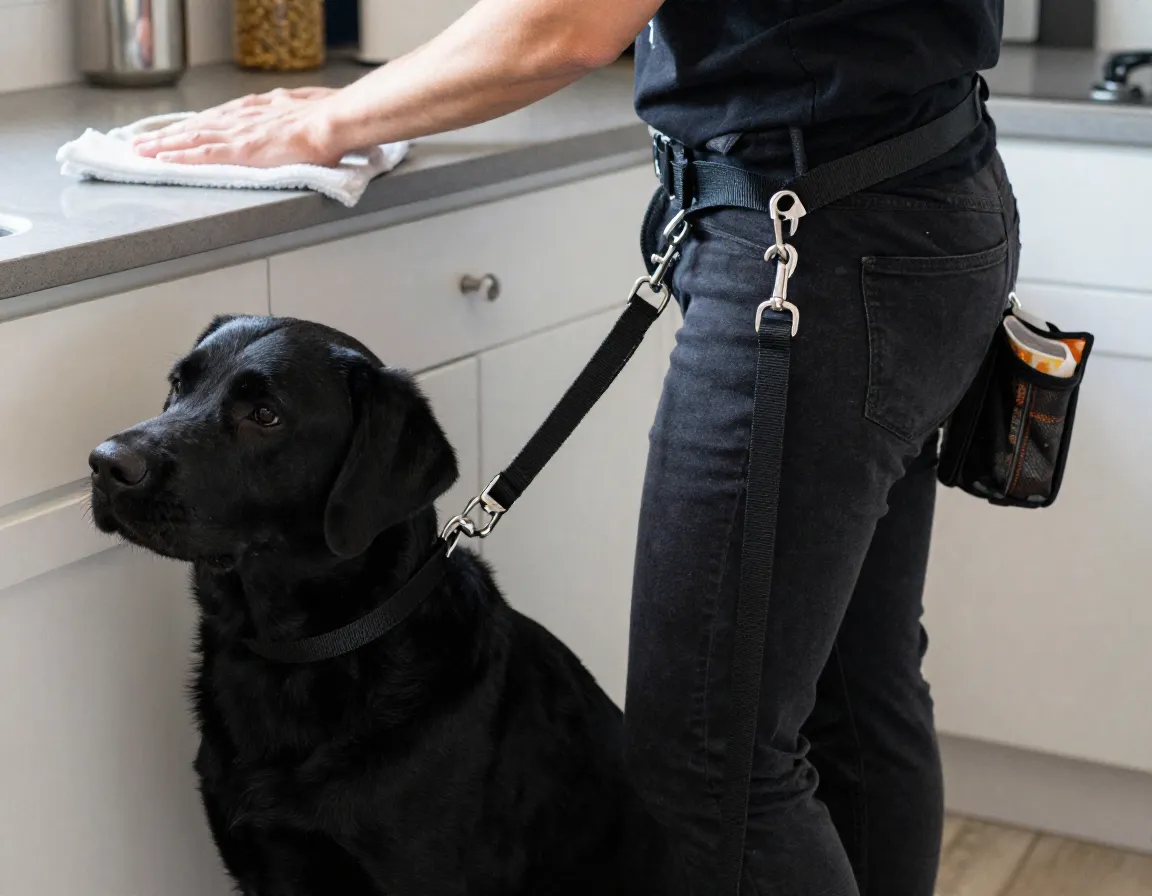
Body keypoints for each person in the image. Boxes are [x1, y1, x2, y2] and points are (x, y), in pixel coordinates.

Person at [136, 2, 1017, 893]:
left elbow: (566, 23)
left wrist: (328, 118)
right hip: (914, 195)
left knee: (715, 770)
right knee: (857, 699)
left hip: (816, 240)